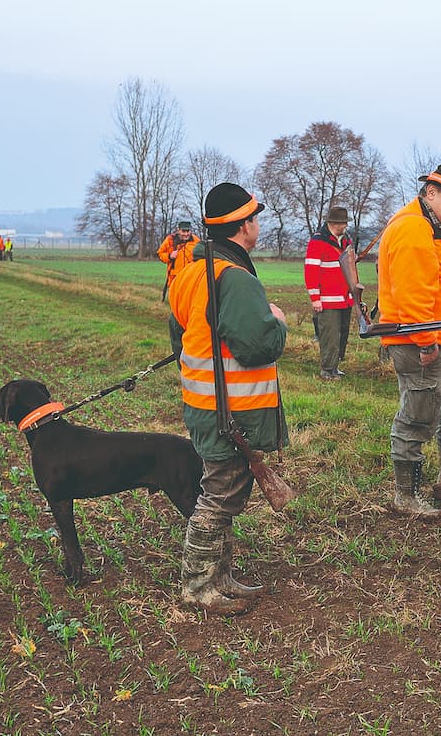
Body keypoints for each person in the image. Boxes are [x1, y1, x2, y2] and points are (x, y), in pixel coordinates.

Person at [168, 183, 289, 616]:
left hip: (205, 406)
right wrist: (277, 321)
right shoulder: (233, 278)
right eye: (255, 218)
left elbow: (180, 336)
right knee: (219, 497)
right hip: (232, 411)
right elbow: (257, 346)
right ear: (243, 225)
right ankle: (197, 587)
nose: (258, 225)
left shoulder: (190, 273)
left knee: (224, 490)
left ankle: (221, 578)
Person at [377, 164, 441, 516]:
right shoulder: (413, 227)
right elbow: (413, 290)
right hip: (421, 343)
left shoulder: (427, 225)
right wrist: (425, 341)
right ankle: (406, 497)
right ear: (430, 192)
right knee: (418, 416)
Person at [304, 206, 354, 380]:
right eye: (343, 223)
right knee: (329, 336)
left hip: (345, 299)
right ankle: (327, 370)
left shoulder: (346, 241)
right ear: (334, 223)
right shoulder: (318, 242)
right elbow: (311, 271)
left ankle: (334, 367)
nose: (346, 226)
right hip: (327, 301)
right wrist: (315, 298)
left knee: (341, 334)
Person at [158, 220, 199, 301]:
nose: (186, 234)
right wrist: (170, 256)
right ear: (178, 230)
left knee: (189, 297)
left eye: (188, 231)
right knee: (176, 299)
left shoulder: (196, 240)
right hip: (175, 275)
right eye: (183, 231)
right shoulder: (170, 240)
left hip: (190, 274)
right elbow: (160, 254)